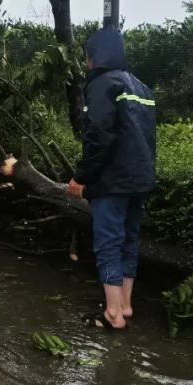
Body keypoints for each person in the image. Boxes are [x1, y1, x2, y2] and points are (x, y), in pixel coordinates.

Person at [66, 25, 157, 329]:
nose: (87, 63)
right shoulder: (142, 88)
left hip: (113, 181)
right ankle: (126, 306)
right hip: (141, 179)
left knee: (108, 243)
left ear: (94, 57)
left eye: (87, 57)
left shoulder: (102, 84)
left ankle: (113, 314)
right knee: (128, 240)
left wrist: (82, 177)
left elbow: (99, 136)